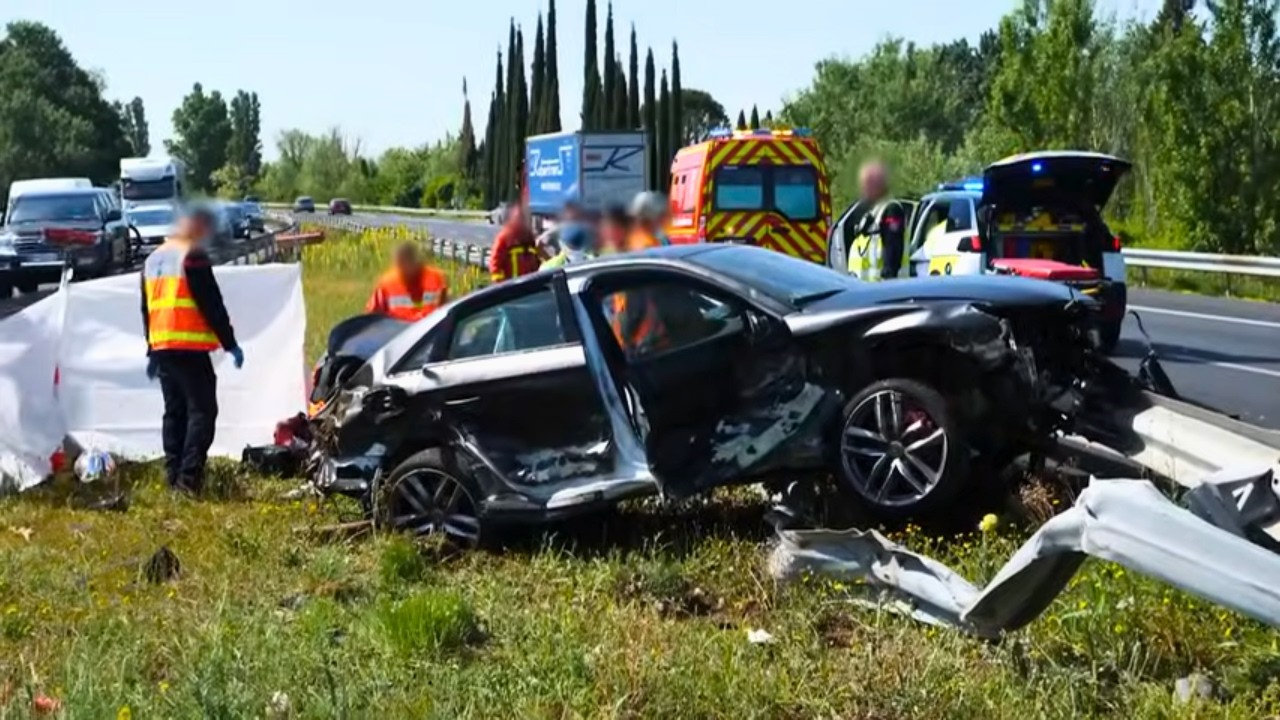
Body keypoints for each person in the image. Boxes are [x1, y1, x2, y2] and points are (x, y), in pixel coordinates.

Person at [141, 204, 243, 495]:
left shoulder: (153, 259)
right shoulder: (192, 255)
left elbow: (146, 308)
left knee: (175, 412)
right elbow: (211, 303)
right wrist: (230, 343)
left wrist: (151, 348)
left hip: (163, 347)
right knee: (202, 411)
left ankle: (173, 475)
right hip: (189, 346)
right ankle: (188, 481)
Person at [848, 161, 908, 281]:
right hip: (866, 284)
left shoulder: (891, 209)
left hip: (884, 284)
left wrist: (889, 275)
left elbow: (893, 246)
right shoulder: (872, 209)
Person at [366, 241, 449, 321]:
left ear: (415, 260)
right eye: (400, 264)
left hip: (429, 328)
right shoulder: (387, 284)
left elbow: (446, 311)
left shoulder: (436, 278)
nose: (403, 268)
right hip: (399, 329)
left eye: (405, 263)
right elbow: (371, 316)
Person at [488, 204, 541, 282]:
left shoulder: (530, 238)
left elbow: (537, 264)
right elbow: (495, 264)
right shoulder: (505, 238)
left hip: (529, 286)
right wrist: (502, 285)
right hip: (512, 286)